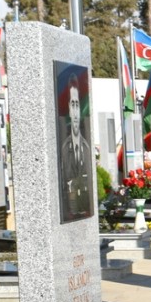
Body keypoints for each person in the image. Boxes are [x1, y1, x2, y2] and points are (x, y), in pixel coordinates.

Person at [59, 76, 93, 221]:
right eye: (72, 104)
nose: (75, 110)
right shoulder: (65, 147)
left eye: (77, 104)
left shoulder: (86, 147)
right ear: (69, 109)